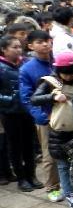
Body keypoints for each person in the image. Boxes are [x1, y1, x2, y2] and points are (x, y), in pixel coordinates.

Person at [29, 51, 73, 208]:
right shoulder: (49, 82)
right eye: (65, 73)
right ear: (58, 70)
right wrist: (53, 97)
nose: (69, 77)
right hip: (59, 132)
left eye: (72, 73)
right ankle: (69, 193)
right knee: (62, 165)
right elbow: (34, 99)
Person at [20, 30, 61, 201]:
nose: (45, 44)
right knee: (49, 153)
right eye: (39, 42)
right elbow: (26, 97)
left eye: (47, 40)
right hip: (46, 117)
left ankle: (71, 181)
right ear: (30, 46)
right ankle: (52, 186)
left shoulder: (58, 61)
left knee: (70, 150)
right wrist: (41, 116)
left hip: (65, 114)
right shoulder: (27, 69)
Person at [0, 35, 41, 192]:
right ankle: (21, 178)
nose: (18, 50)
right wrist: (9, 99)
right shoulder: (2, 67)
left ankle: (32, 175)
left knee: (29, 145)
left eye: (19, 47)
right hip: (10, 113)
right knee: (15, 146)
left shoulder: (26, 63)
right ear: (4, 50)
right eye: (14, 47)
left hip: (28, 110)